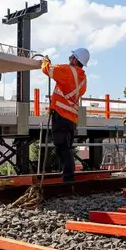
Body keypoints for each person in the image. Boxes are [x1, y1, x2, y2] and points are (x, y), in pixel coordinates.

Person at [40, 48, 89, 183]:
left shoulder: (67, 70)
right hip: (71, 119)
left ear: (75, 59)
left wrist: (45, 61)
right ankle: (67, 175)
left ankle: (68, 178)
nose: (69, 59)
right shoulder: (83, 79)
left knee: (61, 146)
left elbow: (47, 69)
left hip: (60, 115)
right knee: (66, 147)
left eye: (70, 57)